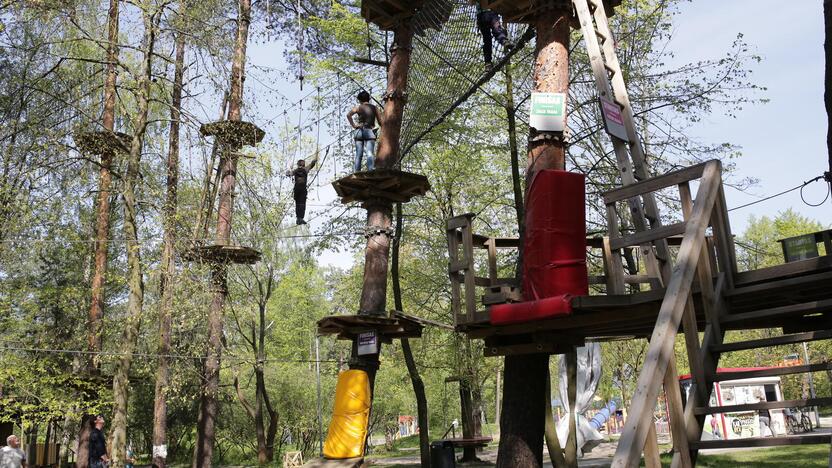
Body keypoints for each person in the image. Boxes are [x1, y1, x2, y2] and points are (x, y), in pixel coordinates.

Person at [346, 90, 382, 172]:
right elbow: (380, 122)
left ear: (360, 100)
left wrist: (354, 125)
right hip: (369, 131)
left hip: (359, 132)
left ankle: (357, 171)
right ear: (369, 99)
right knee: (369, 153)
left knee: (358, 154)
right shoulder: (374, 108)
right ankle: (370, 170)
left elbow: (348, 115)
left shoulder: (358, 107)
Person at [471, 1, 513, 68]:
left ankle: (488, 63)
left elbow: (471, 3)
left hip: (481, 16)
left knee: (487, 40)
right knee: (497, 29)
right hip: (491, 13)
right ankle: (504, 41)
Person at [286, 157, 317, 225]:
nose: (303, 163)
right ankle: (299, 218)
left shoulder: (302, 169)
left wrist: (314, 161)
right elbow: (289, 174)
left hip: (299, 189)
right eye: (302, 162)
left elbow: (311, 165)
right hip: (300, 189)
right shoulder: (301, 170)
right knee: (300, 203)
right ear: (300, 163)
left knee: (300, 203)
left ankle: (300, 218)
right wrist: (288, 172)